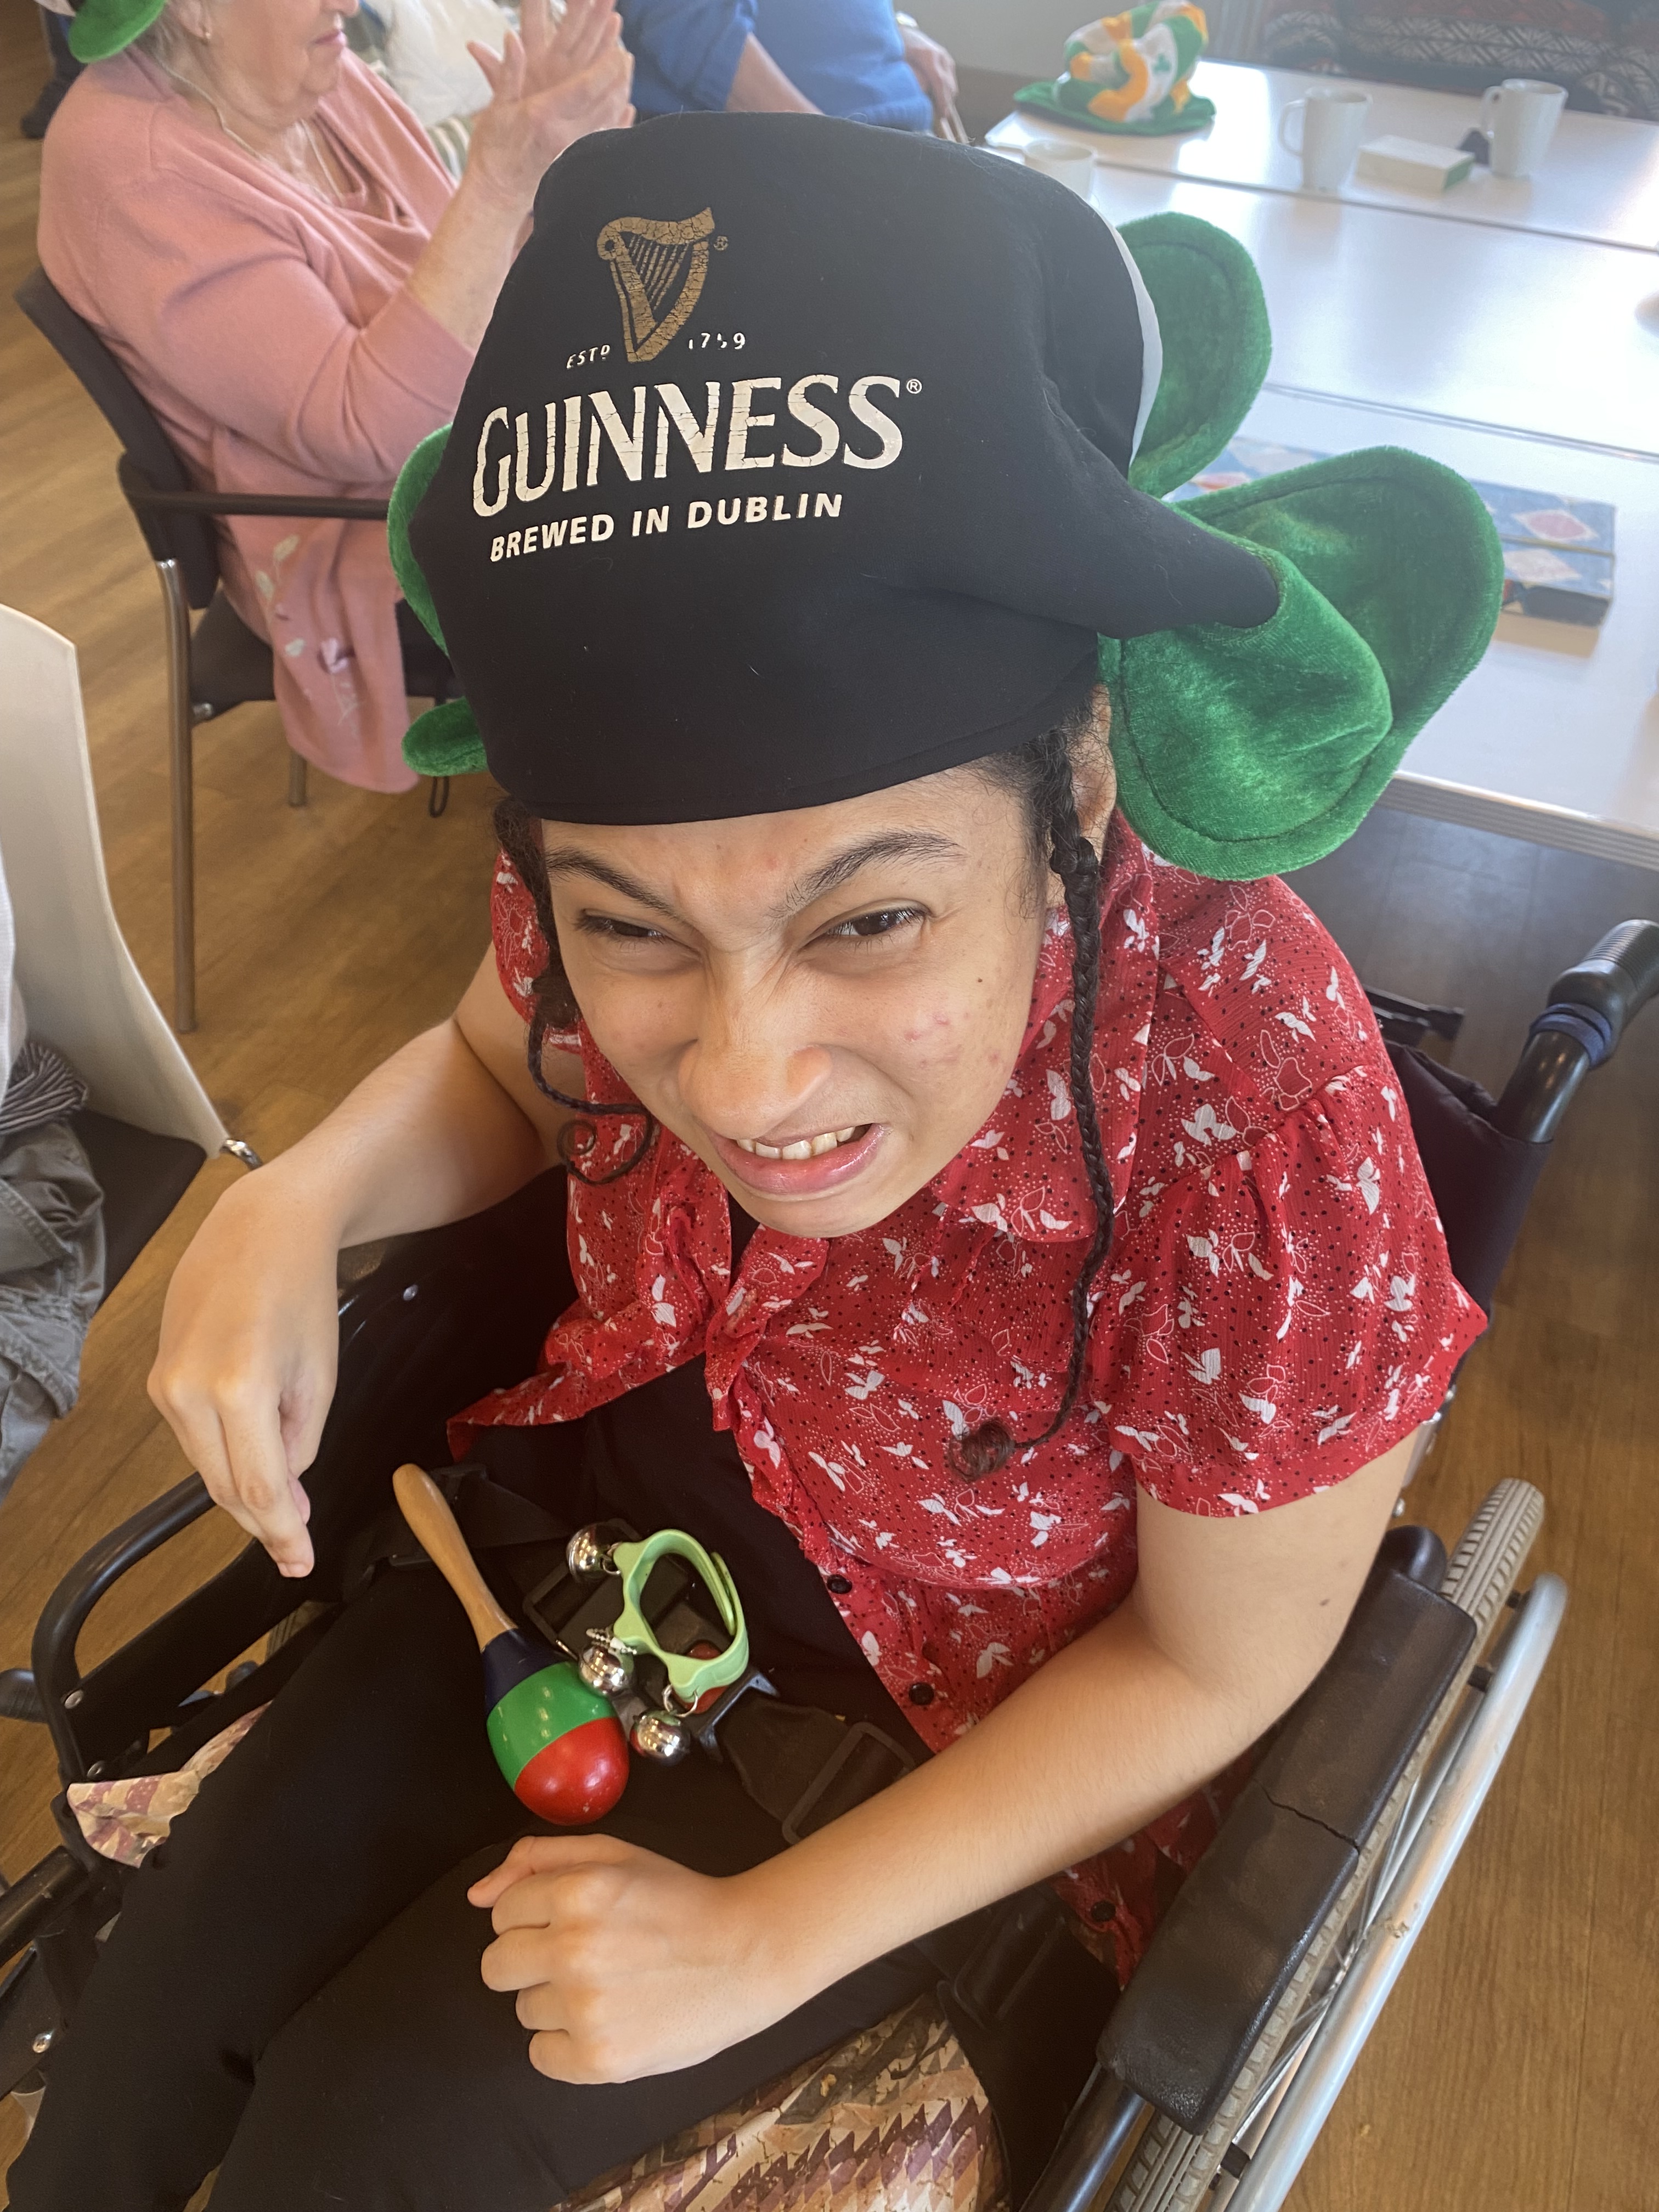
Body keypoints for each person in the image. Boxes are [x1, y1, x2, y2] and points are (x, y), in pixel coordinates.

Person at [7, 116, 1502, 2211]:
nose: (742, 1072)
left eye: (870, 918)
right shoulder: (612, 867)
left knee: (355, 2148)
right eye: (631, 927)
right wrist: (298, 1192)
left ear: (1076, 785)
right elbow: (506, 1062)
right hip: (583, 1535)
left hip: (949, 1718)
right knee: (145, 2050)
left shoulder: (1246, 1091)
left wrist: (763, 1940)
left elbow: (1218, 1655)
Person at [36, 0, 633, 793]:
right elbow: (367, 429)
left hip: (473, 437)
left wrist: (556, 167)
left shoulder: (322, 71)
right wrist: (500, 183)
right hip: (360, 529)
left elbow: (474, 280)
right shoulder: (129, 170)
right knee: (690, 542)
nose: (350, 2)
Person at [617, 0, 955, 130]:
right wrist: (822, 146)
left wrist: (895, 30)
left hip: (895, 129)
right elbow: (685, 16)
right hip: (789, 152)